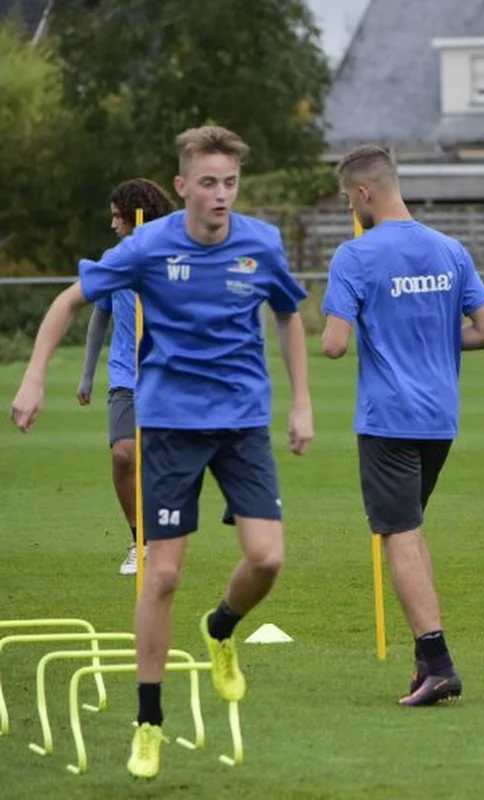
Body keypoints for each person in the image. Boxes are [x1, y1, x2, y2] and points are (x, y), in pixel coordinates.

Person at [10, 125, 314, 780]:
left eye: (230, 183)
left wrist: (301, 401)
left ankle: (221, 629)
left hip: (242, 424)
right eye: (208, 182)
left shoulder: (260, 243)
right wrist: (35, 377)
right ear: (182, 186)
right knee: (164, 574)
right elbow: (68, 300)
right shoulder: (148, 245)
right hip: (171, 425)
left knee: (267, 558)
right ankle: (149, 722)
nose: (220, 195)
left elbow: (288, 314)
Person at [320, 144, 484, 706]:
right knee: (411, 529)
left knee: (397, 535)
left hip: (388, 418)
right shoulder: (449, 248)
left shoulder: (355, 256)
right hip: (439, 418)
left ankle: (440, 661)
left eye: (348, 200)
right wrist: (431, 341)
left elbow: (333, 345)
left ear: (362, 195)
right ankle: (424, 663)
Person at [77, 178, 176, 576]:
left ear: (139, 217)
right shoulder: (113, 258)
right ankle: (140, 541)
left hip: (168, 375)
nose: (112, 223)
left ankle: (167, 538)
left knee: (165, 464)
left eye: (118, 216)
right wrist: (86, 375)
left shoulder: (174, 259)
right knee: (123, 456)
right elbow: (100, 315)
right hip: (125, 377)